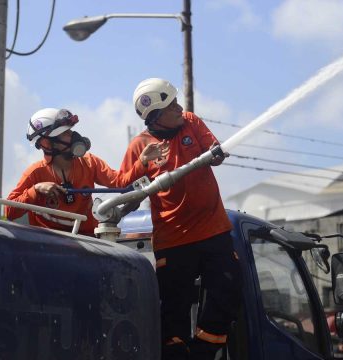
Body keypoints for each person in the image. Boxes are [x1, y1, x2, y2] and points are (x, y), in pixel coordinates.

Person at [120, 78, 241, 360]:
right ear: (156, 116)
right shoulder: (140, 146)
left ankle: (203, 352)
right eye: (171, 105)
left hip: (214, 230)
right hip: (173, 241)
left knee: (227, 289)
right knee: (173, 312)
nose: (180, 107)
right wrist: (143, 166)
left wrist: (216, 154)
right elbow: (122, 189)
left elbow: (215, 153)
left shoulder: (190, 122)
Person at [5, 107, 168, 236]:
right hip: (49, 246)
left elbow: (120, 183)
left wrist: (142, 161)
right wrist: (35, 190)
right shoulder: (35, 173)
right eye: (66, 133)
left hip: (87, 242)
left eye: (71, 131)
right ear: (47, 143)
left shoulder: (90, 162)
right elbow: (10, 211)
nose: (74, 136)